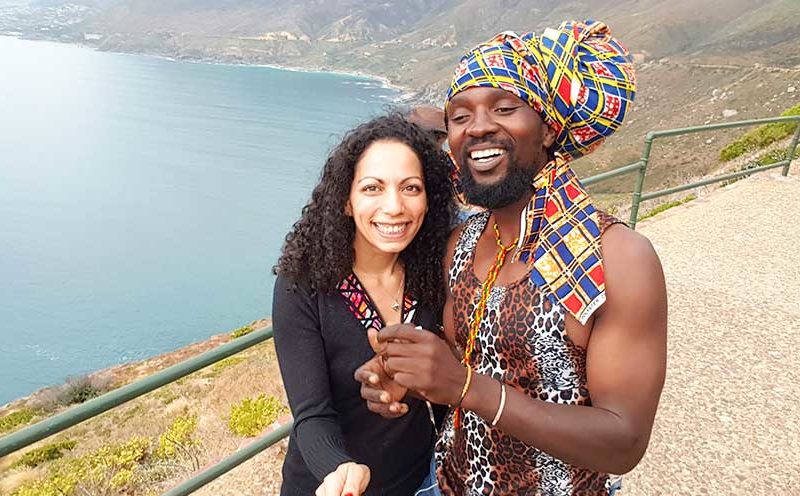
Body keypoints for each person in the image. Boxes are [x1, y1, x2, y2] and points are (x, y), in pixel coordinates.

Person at [356, 20, 667, 495]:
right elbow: (474, 362)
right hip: (448, 484)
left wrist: (465, 386)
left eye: (504, 108)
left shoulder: (617, 257)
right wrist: (411, 378)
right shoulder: (460, 244)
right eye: (460, 116)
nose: (479, 126)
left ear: (547, 130)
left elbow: (623, 442)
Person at [272, 113, 454, 496]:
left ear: (428, 200)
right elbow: (312, 413)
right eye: (373, 188)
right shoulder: (304, 286)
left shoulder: (436, 270)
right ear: (346, 201)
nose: (394, 206)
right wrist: (339, 469)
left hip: (422, 481)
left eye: (411, 188)